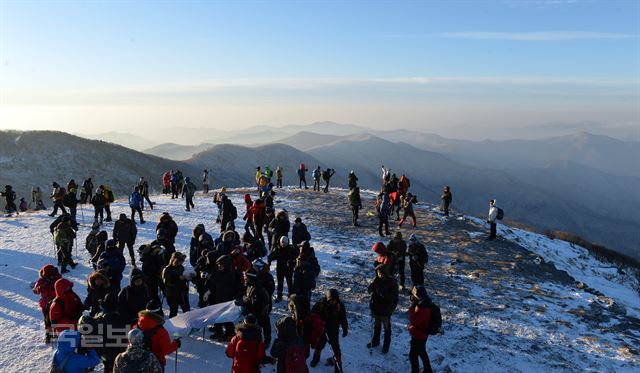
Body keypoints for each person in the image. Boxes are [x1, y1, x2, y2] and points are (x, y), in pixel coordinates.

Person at [310, 289, 348, 371]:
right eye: (331, 300)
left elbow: (343, 318)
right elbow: (312, 314)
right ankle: (315, 359)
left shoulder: (340, 306)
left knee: (335, 348)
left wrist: (345, 328)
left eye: (334, 300)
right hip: (322, 329)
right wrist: (319, 322)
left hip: (333, 330)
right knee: (319, 345)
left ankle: (338, 366)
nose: (333, 302)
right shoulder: (320, 304)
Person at [207, 254, 241, 340]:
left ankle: (229, 333)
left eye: (221, 265)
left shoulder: (230, 275)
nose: (219, 266)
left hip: (226, 300)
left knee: (225, 318)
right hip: (216, 298)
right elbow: (213, 284)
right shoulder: (217, 272)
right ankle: (219, 332)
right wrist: (209, 292)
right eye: (218, 265)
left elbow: (234, 289)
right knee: (216, 317)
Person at [136, 303, 181, 369]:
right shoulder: (161, 331)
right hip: (156, 364)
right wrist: (176, 344)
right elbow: (166, 350)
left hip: (139, 363)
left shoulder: (136, 326)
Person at [367, 264, 398, 354]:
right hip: (376, 307)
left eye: (381, 273)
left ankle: (386, 345)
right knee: (377, 325)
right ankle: (376, 340)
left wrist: (382, 293)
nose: (380, 275)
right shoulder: (376, 280)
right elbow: (370, 288)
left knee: (386, 328)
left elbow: (394, 297)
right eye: (378, 273)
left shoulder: (392, 283)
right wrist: (371, 289)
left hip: (386, 309)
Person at [408, 286, 435, 373]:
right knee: (421, 352)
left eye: (413, 296)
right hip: (420, 334)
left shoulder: (423, 308)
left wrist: (412, 307)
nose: (412, 297)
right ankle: (428, 370)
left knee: (413, 355)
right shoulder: (423, 303)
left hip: (419, 335)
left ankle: (416, 371)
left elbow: (414, 321)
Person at [32, 264, 62, 343]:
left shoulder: (57, 278)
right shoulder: (41, 280)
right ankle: (48, 334)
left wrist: (51, 291)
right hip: (45, 304)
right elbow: (35, 290)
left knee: (56, 318)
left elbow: (61, 290)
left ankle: (57, 332)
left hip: (55, 303)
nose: (48, 277)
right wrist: (39, 289)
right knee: (47, 320)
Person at [291, 241, 321, 311]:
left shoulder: (310, 259)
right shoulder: (301, 257)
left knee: (305, 305)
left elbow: (314, 275)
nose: (299, 249)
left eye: (301, 247)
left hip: (305, 289)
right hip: (298, 287)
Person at [162, 252, 190, 317]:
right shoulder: (167, 269)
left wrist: (187, 277)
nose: (182, 262)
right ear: (175, 260)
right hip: (172, 294)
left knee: (186, 309)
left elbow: (183, 277)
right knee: (174, 311)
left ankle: (188, 323)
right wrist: (178, 278)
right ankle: (172, 326)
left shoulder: (181, 267)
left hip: (182, 292)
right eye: (180, 260)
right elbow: (166, 282)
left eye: (182, 260)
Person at [268, 236, 296, 303]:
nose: (283, 245)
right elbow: (270, 257)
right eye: (282, 243)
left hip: (289, 269)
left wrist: (292, 261)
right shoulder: (277, 249)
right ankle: (279, 296)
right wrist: (269, 263)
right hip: (280, 268)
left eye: (284, 243)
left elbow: (296, 258)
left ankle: (290, 295)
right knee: (280, 282)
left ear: (287, 243)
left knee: (289, 282)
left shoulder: (291, 249)